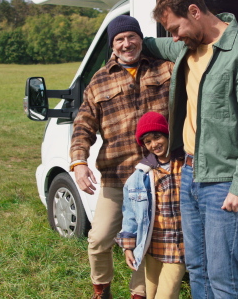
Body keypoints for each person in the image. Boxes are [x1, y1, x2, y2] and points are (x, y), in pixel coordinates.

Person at [143, 0, 238, 298]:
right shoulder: (187, 47)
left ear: (194, 11)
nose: (173, 38)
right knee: (197, 269)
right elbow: (152, 45)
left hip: (222, 181)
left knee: (222, 276)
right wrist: (124, 36)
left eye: (175, 28)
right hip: (188, 174)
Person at [70, 15, 174, 299]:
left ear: (140, 38)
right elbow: (83, 125)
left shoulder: (165, 69)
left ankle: (139, 294)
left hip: (157, 176)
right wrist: (79, 162)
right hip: (116, 176)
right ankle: (101, 290)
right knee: (99, 238)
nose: (127, 44)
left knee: (147, 238)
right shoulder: (99, 81)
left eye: (131, 37)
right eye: (119, 39)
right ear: (112, 45)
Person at [115, 111, 186, 299]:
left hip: (180, 245)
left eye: (157, 137)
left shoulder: (186, 165)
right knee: (151, 292)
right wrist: (128, 246)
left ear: (167, 135)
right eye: (148, 141)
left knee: (166, 294)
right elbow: (130, 213)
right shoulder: (140, 176)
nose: (154, 144)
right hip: (153, 245)